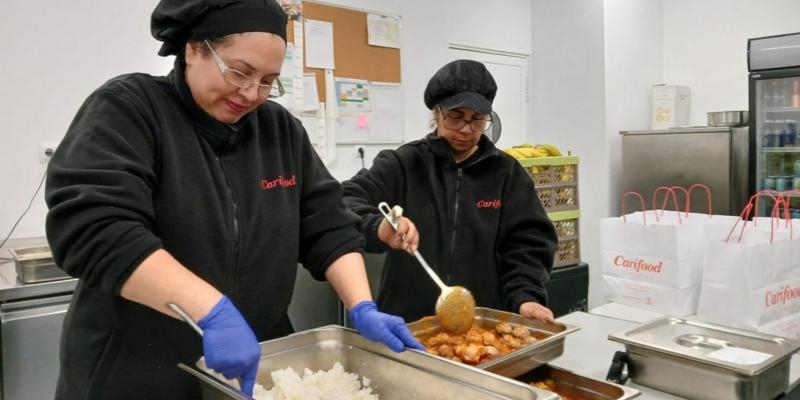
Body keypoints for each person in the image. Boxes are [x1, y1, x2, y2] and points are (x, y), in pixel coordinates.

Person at [44, 1, 422, 398]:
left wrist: (362, 305)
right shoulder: (131, 108)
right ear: (194, 49)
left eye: (268, 80)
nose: (251, 93)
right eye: (240, 72)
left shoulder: (279, 131)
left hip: (252, 367)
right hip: (136, 372)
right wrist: (212, 311)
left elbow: (328, 225)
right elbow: (96, 229)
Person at [342, 60, 559, 327]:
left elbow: (529, 242)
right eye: (456, 116)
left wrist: (526, 296)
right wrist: (380, 227)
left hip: (482, 323)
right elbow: (347, 199)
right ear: (436, 113)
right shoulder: (405, 163)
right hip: (407, 323)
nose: (466, 129)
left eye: (477, 120)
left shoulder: (507, 174)